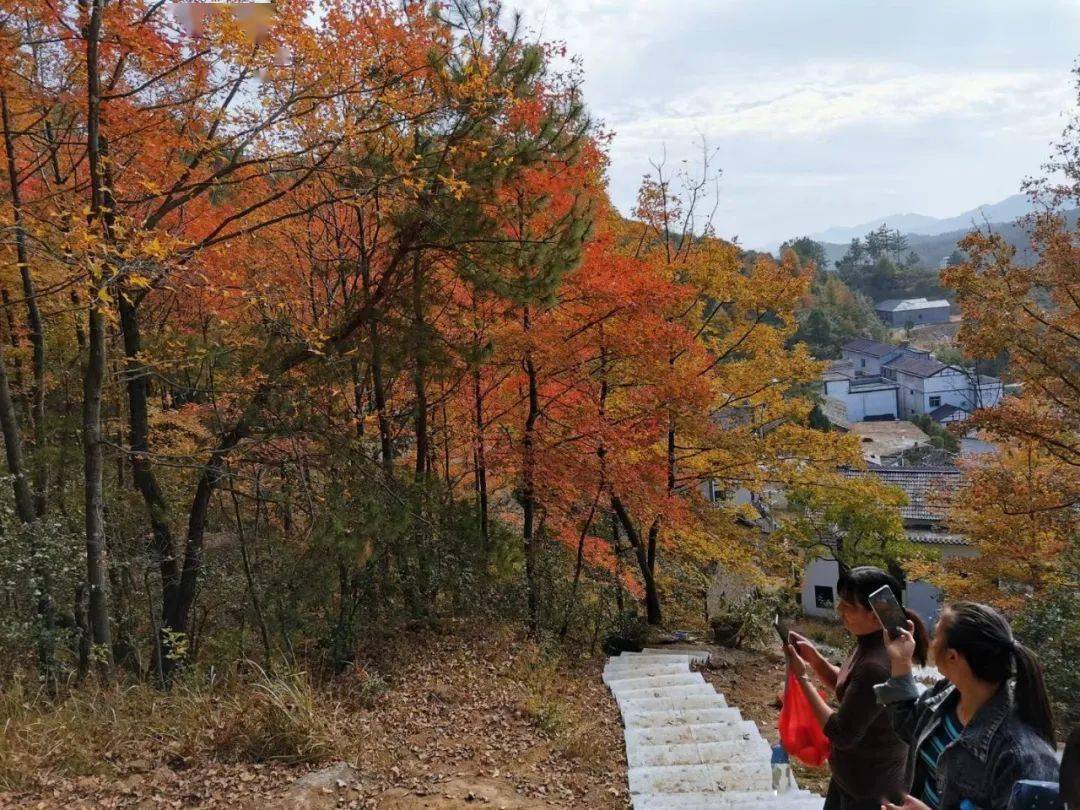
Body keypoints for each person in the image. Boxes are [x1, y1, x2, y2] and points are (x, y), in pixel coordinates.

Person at [877, 601, 1059, 810]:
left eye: (935, 636)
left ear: (952, 656)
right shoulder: (947, 694)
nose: (931, 641)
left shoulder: (1023, 757)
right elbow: (908, 726)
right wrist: (901, 662)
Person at [785, 566, 929, 810]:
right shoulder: (868, 643)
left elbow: (842, 733)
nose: (839, 609)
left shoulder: (876, 664)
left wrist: (802, 678)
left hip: (870, 793)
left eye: (848, 606)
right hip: (852, 779)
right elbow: (852, 691)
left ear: (874, 615)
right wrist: (816, 660)